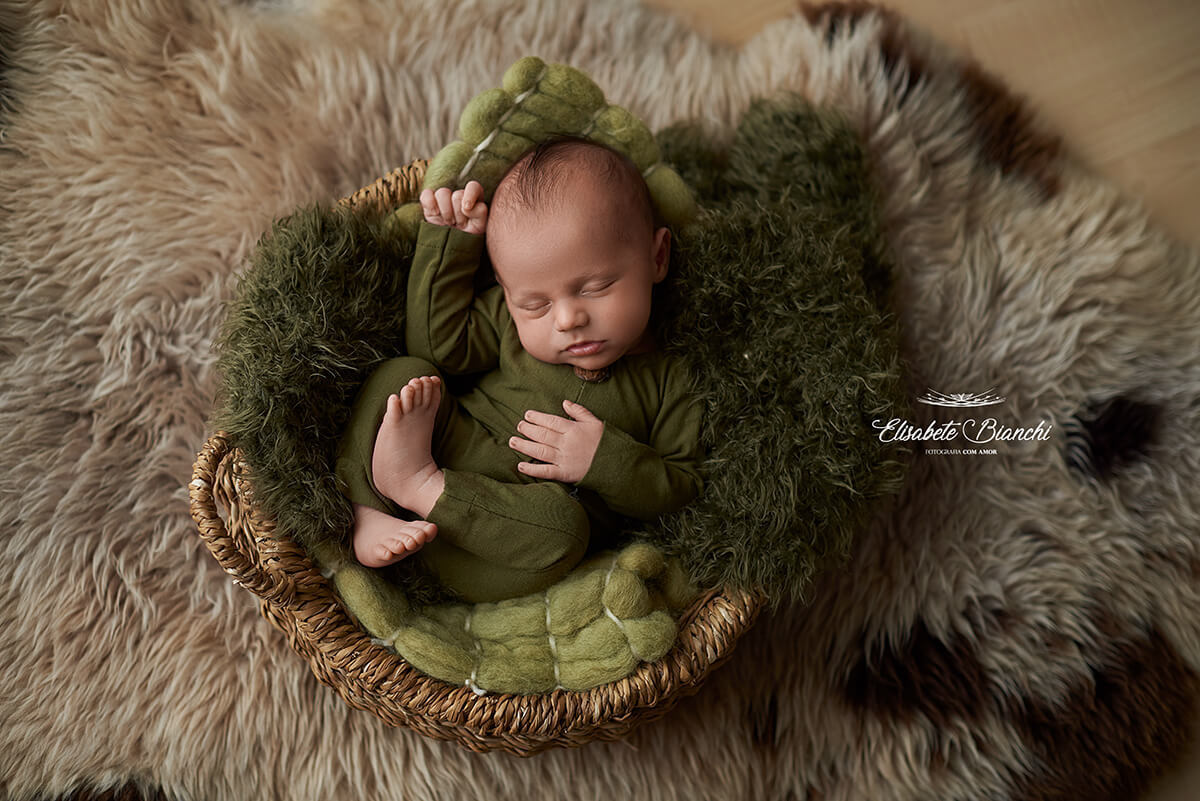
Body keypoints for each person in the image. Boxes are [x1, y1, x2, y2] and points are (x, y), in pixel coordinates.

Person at [334, 136, 704, 603]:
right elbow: (439, 348)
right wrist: (450, 245)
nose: (567, 319)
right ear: (510, 296)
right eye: (535, 305)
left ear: (656, 258)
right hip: (453, 445)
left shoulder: (671, 378)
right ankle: (363, 507)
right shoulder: (507, 323)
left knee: (567, 531)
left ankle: (421, 487)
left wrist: (604, 461)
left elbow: (680, 489)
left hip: (503, 539)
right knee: (407, 373)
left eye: (596, 287)